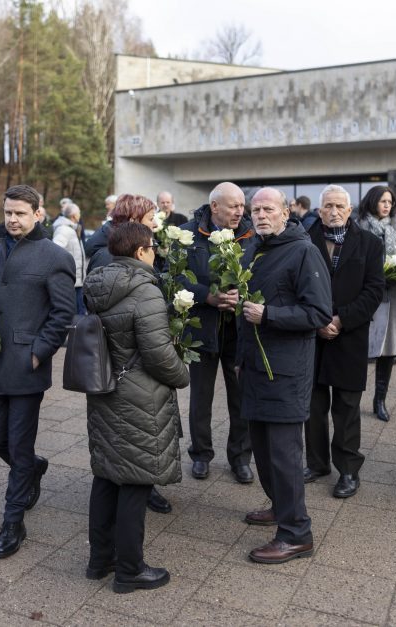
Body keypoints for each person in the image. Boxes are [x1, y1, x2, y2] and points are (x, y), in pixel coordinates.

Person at [83, 221, 190, 593]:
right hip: (139, 396)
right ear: (142, 251)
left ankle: (100, 560)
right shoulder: (144, 291)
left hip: (104, 389)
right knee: (136, 482)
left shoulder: (98, 283)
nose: (156, 252)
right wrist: (182, 375)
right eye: (153, 247)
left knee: (107, 475)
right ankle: (130, 569)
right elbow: (158, 354)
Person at [0, 184, 76, 559]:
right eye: (8, 213)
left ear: (39, 214)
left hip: (26, 365)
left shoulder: (54, 256)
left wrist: (39, 352)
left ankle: (12, 521)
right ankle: (34, 468)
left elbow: (63, 312)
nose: (12, 219)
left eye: (20, 213)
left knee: (19, 446)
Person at [238, 187, 332, 565]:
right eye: (255, 210)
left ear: (286, 212)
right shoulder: (253, 248)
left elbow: (319, 313)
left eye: (268, 209)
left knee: (284, 455)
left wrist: (269, 315)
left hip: (286, 371)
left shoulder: (303, 251)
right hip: (256, 368)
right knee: (262, 449)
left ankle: (297, 533)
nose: (260, 215)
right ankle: (280, 507)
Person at [85, 195, 172, 514]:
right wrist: (179, 373)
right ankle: (128, 560)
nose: (155, 223)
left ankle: (102, 558)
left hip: (111, 375)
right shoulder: (119, 268)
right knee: (128, 458)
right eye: (151, 218)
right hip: (126, 375)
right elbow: (147, 343)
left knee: (114, 460)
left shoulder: (112, 262)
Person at [304, 185, 385, 498]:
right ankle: (317, 462)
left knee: (347, 408)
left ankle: (348, 470)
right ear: (320, 209)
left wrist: (341, 319)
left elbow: (374, 290)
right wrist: (318, 321)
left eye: (339, 206)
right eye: (328, 206)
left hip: (349, 336)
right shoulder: (304, 241)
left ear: (350, 210)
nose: (333, 211)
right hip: (311, 337)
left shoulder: (369, 244)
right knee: (313, 405)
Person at [179, 182, 255, 484]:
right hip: (203, 327)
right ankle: (200, 454)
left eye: (241, 205)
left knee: (241, 396)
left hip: (240, 329)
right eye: (233, 206)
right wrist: (206, 296)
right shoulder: (188, 234)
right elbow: (174, 278)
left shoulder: (252, 235)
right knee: (200, 397)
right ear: (214, 208)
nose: (240, 211)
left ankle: (240, 458)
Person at [355, 185, 396, 422]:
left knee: (388, 353)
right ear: (372, 202)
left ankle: (380, 400)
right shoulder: (360, 224)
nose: (387, 205)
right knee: (360, 348)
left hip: (393, 294)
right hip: (366, 294)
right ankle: (350, 397)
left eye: (390, 201)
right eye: (382, 201)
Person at [86, 194, 160, 273]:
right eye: (151, 219)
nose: (155, 225)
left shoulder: (128, 248)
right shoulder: (108, 259)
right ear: (133, 221)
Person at [52, 202, 87, 315]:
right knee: (76, 315)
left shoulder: (72, 229)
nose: (80, 215)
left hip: (77, 281)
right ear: (73, 215)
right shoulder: (64, 230)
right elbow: (55, 250)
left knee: (79, 313)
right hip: (71, 281)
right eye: (79, 213)